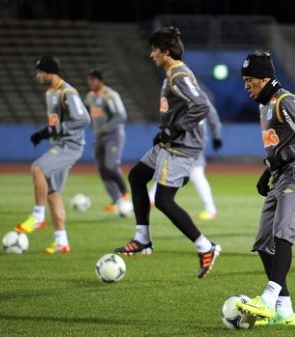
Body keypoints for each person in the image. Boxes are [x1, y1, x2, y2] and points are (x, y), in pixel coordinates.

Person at [114, 27, 220, 279]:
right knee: (137, 176)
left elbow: (202, 106)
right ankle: (142, 238)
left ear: (165, 52)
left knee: (163, 200)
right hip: (169, 143)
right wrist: (167, 129)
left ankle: (206, 247)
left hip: (181, 147)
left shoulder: (178, 75)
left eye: (154, 50)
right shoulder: (173, 73)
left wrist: (174, 130)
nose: (151, 55)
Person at [236, 51, 295, 325]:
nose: (246, 85)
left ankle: (269, 297)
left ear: (266, 78)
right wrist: (268, 171)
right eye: (245, 80)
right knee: (264, 242)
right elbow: (279, 147)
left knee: (282, 233)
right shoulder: (265, 104)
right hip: (281, 176)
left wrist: (282, 159)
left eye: (250, 80)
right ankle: (285, 312)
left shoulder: (285, 101)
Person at [15, 55, 90, 254]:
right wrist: (45, 132)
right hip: (60, 145)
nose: (38, 75)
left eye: (40, 72)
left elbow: (84, 119)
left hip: (70, 146)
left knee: (37, 168)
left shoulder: (68, 92)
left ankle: (38, 217)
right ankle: (61, 241)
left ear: (49, 72)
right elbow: (56, 122)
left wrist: (52, 131)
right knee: (53, 193)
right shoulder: (51, 92)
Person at [148, 99, 222, 220]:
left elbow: (213, 119)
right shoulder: (199, 100)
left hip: (191, 144)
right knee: (168, 169)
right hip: (182, 143)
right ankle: (150, 198)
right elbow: (214, 119)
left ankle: (211, 209)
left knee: (196, 174)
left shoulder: (184, 100)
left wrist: (217, 136)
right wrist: (216, 136)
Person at [85, 68, 129, 214]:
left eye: (92, 80)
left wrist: (104, 128)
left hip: (113, 136)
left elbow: (121, 116)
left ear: (99, 80)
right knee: (102, 169)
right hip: (99, 138)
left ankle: (124, 192)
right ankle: (116, 200)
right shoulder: (90, 97)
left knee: (111, 166)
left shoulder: (109, 95)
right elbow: (88, 115)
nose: (89, 83)